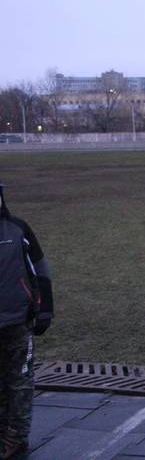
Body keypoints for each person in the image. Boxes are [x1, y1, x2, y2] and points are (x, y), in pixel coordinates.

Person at [0, 184, 54, 458]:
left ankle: (16, 437)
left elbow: (41, 270)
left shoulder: (18, 230)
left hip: (17, 321)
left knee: (19, 381)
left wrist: (45, 310)